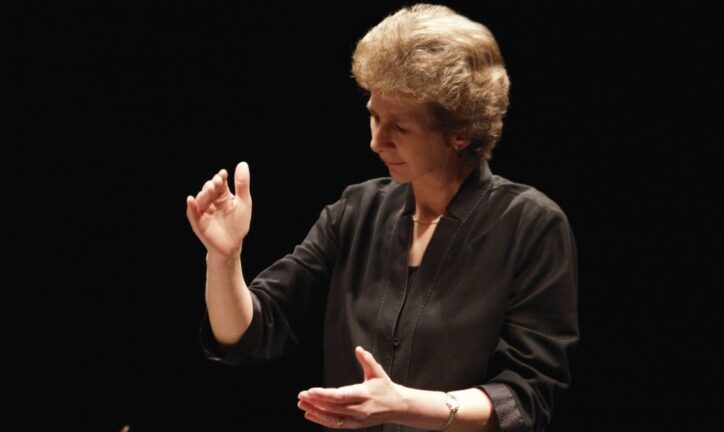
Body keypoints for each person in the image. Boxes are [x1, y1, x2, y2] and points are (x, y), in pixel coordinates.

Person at [185, 4, 578, 432]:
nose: (376, 141)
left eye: (400, 127)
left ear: (459, 132)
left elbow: (524, 396)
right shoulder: (357, 211)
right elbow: (249, 331)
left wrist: (403, 404)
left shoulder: (530, 226)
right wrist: (224, 259)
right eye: (374, 116)